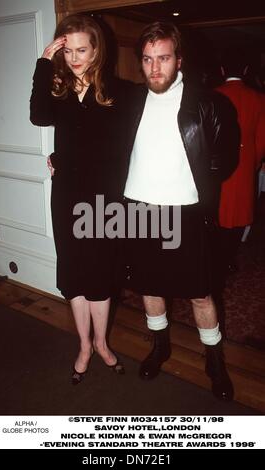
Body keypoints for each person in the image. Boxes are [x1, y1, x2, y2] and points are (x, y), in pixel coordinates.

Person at [122, 22, 239, 401]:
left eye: (164, 58)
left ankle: (214, 360)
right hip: (139, 211)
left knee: (201, 294)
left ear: (180, 60)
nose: (155, 68)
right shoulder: (128, 103)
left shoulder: (208, 103)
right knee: (150, 287)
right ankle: (160, 346)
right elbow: (98, 146)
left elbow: (225, 160)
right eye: (148, 59)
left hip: (186, 213)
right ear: (140, 62)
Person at [30, 14, 126, 384]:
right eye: (66, 50)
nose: (73, 57)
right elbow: (38, 116)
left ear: (97, 49)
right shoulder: (58, 91)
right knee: (73, 270)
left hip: (104, 198)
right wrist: (43, 63)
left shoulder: (119, 92)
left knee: (100, 272)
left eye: (81, 49)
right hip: (67, 195)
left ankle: (102, 344)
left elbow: (132, 145)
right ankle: (84, 346)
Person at [216, 51, 265, 275]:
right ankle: (228, 257)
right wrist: (252, 163)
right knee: (240, 214)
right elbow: (262, 139)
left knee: (218, 212)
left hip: (216, 165)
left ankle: (218, 257)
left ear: (222, 71)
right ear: (245, 71)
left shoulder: (213, 94)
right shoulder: (258, 98)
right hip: (244, 163)